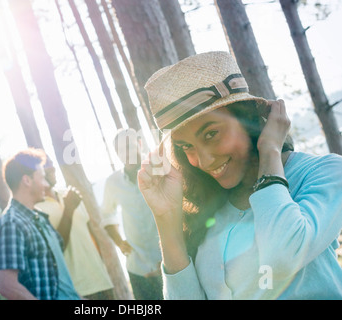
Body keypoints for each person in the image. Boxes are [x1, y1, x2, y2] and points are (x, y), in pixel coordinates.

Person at [138, 51, 342, 299]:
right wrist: (166, 216)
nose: (203, 161)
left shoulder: (323, 173)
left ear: (247, 119)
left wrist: (269, 152)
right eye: (186, 147)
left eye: (211, 134)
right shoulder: (208, 207)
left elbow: (282, 259)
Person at [0, 148, 80, 300]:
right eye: (42, 178)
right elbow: (7, 286)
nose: (46, 184)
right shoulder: (12, 223)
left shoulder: (40, 217)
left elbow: (58, 278)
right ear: (27, 180)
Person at [35, 158, 115, 299]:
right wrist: (69, 209)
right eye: (45, 165)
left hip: (102, 282)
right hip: (76, 292)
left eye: (52, 163)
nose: (52, 168)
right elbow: (54, 249)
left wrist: (102, 268)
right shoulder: (36, 209)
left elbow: (91, 235)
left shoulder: (70, 194)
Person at [101, 128, 163, 300]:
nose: (125, 152)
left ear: (140, 143)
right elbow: (106, 215)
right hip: (138, 269)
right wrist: (119, 242)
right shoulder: (113, 183)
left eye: (129, 146)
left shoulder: (160, 169)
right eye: (120, 150)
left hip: (169, 262)